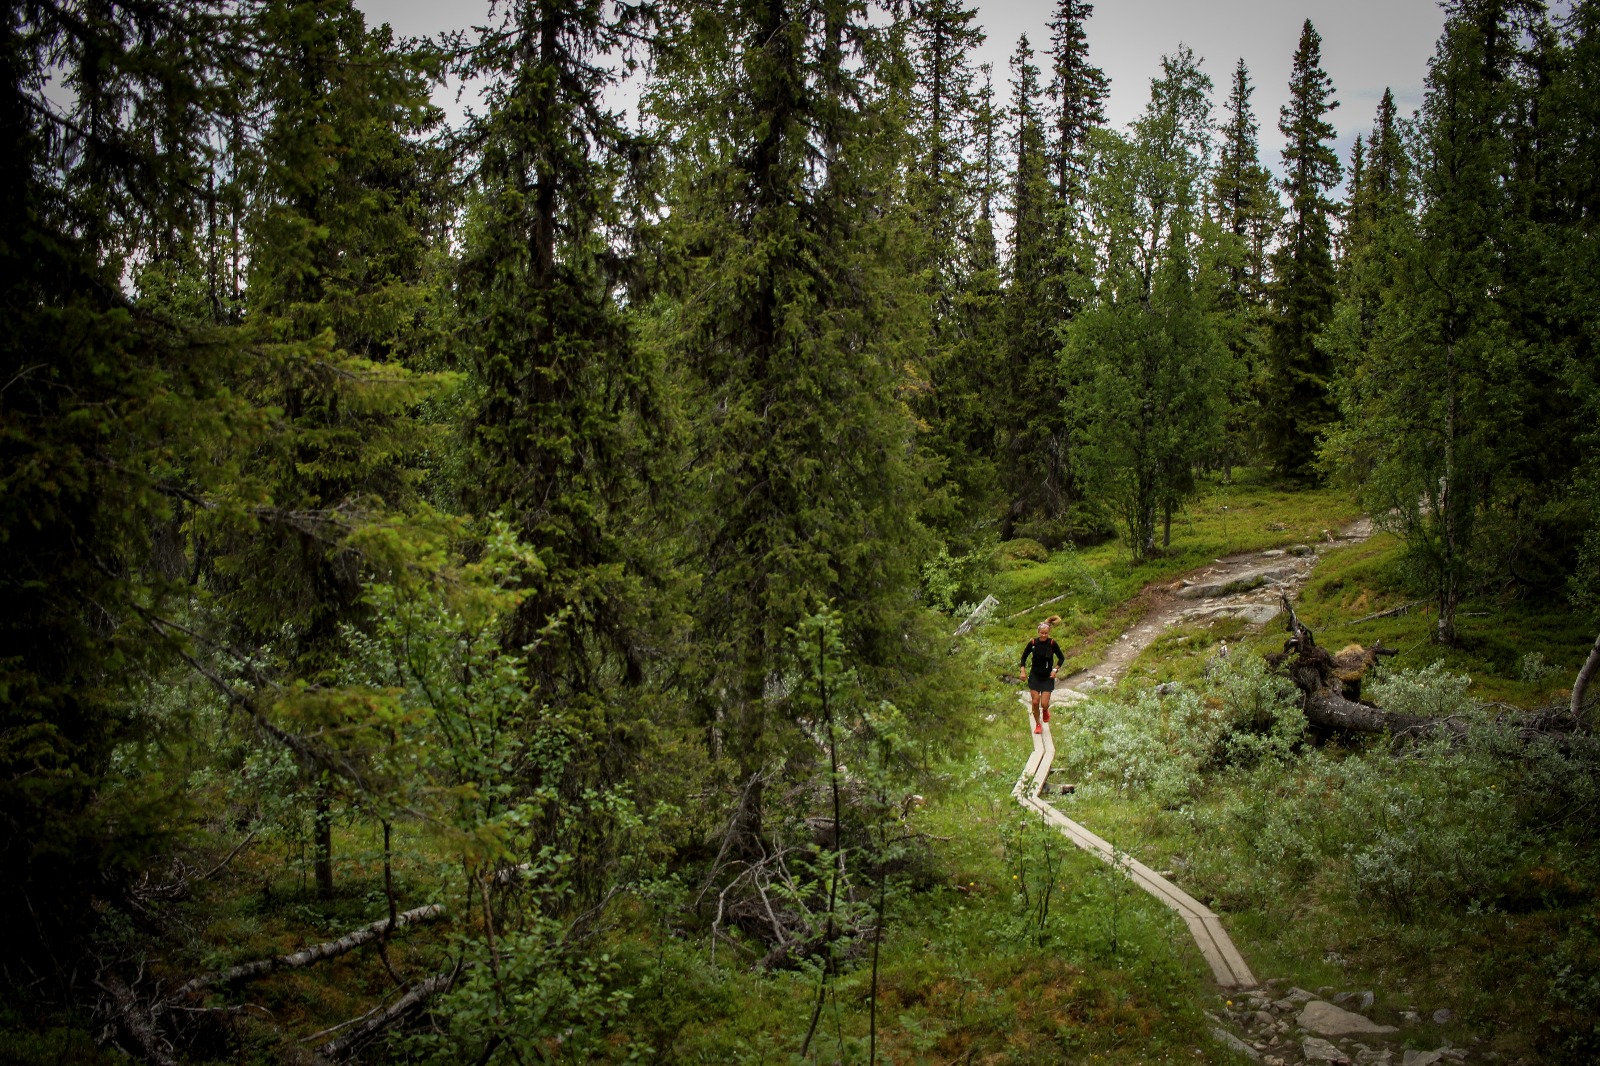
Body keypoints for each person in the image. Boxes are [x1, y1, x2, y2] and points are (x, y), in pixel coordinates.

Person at [1019, 619, 1065, 734]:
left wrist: (1055, 670)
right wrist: (1022, 671)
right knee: (1035, 702)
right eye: (1041, 633)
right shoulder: (1033, 643)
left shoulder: (1052, 643)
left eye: (1046, 633)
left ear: (1048, 633)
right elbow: (1023, 657)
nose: (1044, 635)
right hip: (1035, 676)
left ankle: (1045, 710)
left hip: (1047, 677)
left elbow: (1061, 658)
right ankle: (1038, 725)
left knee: (1044, 703)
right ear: (1038, 632)